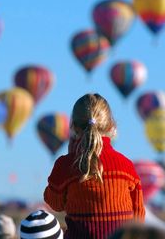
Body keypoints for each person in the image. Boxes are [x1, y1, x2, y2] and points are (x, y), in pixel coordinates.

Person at [43, 93, 146, 239]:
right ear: (111, 126)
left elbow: (54, 202)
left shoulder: (66, 165)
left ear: (73, 127)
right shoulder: (126, 166)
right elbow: (139, 216)